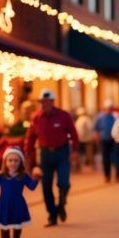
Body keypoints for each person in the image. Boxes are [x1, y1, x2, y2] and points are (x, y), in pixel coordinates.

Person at [24, 88, 80, 227]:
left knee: (64, 183)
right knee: (46, 186)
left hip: (62, 152)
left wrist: (75, 151)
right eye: (42, 102)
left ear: (52, 102)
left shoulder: (64, 116)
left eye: (47, 101)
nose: (44, 104)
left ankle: (61, 204)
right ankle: (52, 215)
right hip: (45, 154)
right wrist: (28, 156)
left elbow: (74, 134)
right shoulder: (36, 118)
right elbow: (30, 138)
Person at [0, 146, 41, 238]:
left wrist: (36, 178)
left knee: (17, 225)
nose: (13, 163)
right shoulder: (1, 175)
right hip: (4, 204)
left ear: (20, 162)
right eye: (10, 160)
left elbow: (31, 187)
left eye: (16, 160)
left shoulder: (23, 176)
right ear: (5, 162)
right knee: (4, 227)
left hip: (18, 204)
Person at [94, 99, 117, 183]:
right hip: (104, 140)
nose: (109, 110)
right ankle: (107, 176)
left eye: (111, 108)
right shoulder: (100, 117)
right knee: (105, 159)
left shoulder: (114, 117)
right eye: (108, 108)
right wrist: (96, 136)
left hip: (113, 140)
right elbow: (96, 128)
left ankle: (117, 175)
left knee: (114, 158)